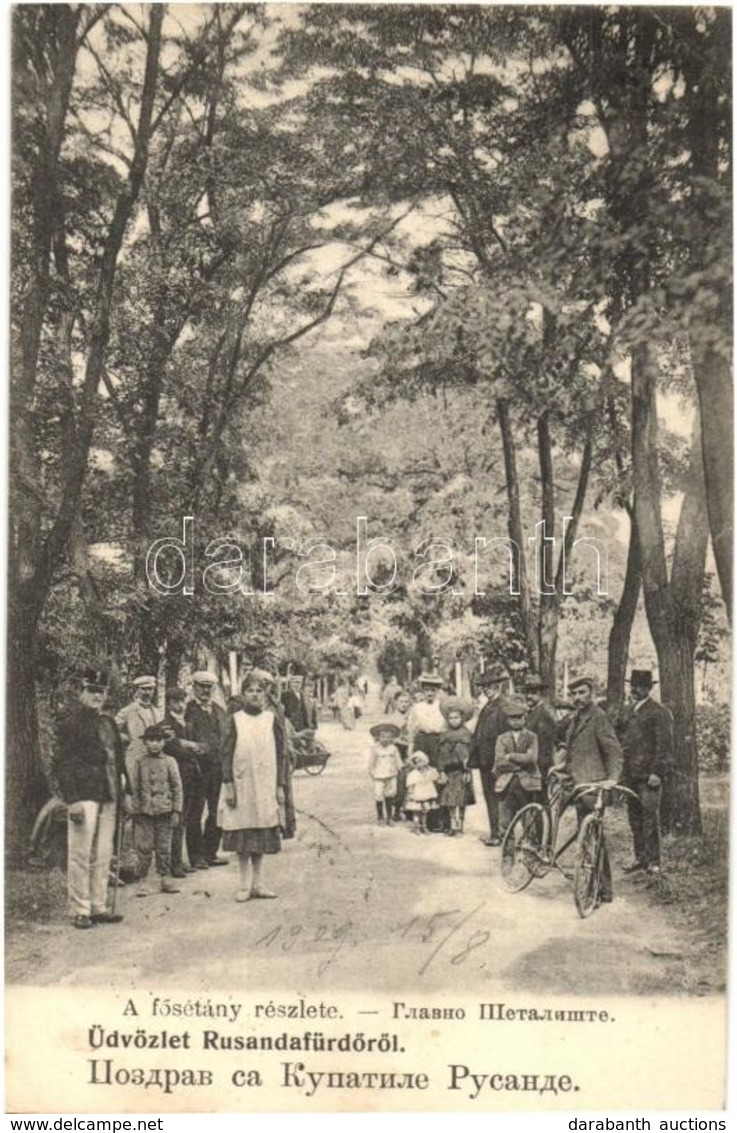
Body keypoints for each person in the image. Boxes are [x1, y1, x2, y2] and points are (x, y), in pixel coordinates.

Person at [54, 668, 131, 929]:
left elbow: (118, 761)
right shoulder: (69, 724)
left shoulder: (108, 723)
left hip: (110, 793)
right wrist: (72, 799)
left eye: (102, 691)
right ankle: (80, 908)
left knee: (104, 852)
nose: (97, 696)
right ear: (82, 691)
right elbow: (63, 765)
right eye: (92, 691)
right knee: (80, 852)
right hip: (83, 795)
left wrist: (126, 791)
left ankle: (99, 905)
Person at [218, 672, 294, 902]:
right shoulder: (235, 719)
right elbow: (226, 753)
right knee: (242, 832)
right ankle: (243, 885)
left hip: (265, 784)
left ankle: (258, 883)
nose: (255, 694)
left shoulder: (271, 720)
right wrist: (229, 784)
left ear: (265, 694)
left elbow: (282, 755)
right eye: (250, 690)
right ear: (243, 694)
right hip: (242, 784)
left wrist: (281, 785)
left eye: (259, 690)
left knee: (261, 832)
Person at [551, 675, 624, 903]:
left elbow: (614, 751)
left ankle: (603, 889)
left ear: (590, 693)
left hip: (594, 786)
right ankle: (594, 884)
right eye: (574, 694)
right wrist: (560, 767)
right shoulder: (576, 718)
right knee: (586, 836)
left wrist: (612, 778)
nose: (577, 698)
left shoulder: (598, 718)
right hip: (576, 784)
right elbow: (574, 751)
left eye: (582, 693)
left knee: (594, 837)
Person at [617, 669, 673, 876]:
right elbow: (621, 741)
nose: (634, 689)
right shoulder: (628, 710)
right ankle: (640, 858)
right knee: (634, 818)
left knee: (650, 818)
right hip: (630, 775)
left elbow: (664, 746)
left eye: (639, 686)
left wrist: (657, 772)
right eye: (632, 685)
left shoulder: (659, 711)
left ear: (649, 688)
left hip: (648, 776)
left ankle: (654, 861)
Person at [131, 724, 183, 897]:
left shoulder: (170, 761)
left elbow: (177, 787)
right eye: (151, 740)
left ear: (164, 742)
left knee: (163, 846)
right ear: (145, 742)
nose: (154, 744)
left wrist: (176, 810)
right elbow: (135, 788)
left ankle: (165, 878)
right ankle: (142, 880)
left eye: (158, 740)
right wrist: (135, 810)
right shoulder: (139, 762)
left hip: (165, 810)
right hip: (145, 812)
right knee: (144, 847)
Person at [185, 671, 230, 869]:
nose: (205, 691)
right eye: (201, 687)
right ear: (194, 687)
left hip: (218, 768)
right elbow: (186, 738)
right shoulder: (188, 710)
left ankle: (211, 851)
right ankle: (196, 856)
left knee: (216, 810)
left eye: (208, 687)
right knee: (195, 811)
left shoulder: (220, 710)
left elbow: (227, 736)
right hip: (197, 768)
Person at [162, 687, 204, 877]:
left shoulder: (190, 723)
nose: (180, 705)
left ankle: (184, 859)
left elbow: (204, 746)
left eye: (182, 701)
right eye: (176, 701)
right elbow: (173, 749)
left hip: (194, 775)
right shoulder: (165, 726)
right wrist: (191, 746)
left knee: (189, 818)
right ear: (169, 703)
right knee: (177, 819)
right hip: (177, 776)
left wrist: (189, 744)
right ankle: (175, 863)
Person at [467, 665, 509, 847]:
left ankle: (500, 834)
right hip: (485, 760)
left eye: (490, 685)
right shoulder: (487, 706)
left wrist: (500, 762)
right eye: (484, 686)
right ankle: (495, 832)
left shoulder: (504, 707)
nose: (487, 689)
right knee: (489, 797)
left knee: (497, 797)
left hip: (496, 761)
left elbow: (505, 738)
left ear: (498, 686)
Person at [493, 698, 541, 834]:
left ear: (524, 718)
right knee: (505, 821)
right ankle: (508, 854)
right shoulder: (501, 738)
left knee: (529, 820)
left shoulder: (532, 737)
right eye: (512, 718)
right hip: (506, 783)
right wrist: (521, 763)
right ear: (507, 720)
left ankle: (529, 851)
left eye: (519, 718)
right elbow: (499, 762)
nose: (516, 721)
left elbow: (532, 759)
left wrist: (511, 756)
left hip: (528, 783)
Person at [436, 697, 476, 836]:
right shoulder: (444, 735)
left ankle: (461, 826)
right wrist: (441, 771)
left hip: (461, 771)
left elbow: (469, 754)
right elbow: (440, 754)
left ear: (462, 718)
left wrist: (468, 770)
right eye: (451, 718)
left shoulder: (467, 734)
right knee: (450, 800)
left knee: (461, 799)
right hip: (449, 771)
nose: (453, 720)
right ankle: (452, 825)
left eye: (456, 717)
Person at [115, 675, 163, 780]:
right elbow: (112, 731)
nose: (147, 693)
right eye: (144, 689)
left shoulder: (157, 712)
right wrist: (127, 739)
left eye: (150, 689)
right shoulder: (128, 710)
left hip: (154, 757)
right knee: (134, 789)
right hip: (135, 757)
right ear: (137, 690)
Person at [523, 676, 557, 797]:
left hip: (539, 767)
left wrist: (537, 768)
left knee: (539, 801)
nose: (529, 696)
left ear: (541, 694)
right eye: (527, 692)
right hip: (530, 765)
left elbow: (544, 746)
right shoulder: (531, 713)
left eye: (533, 693)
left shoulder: (543, 715)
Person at [366, 721, 403, 825]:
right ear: (378, 737)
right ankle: (380, 817)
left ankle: (389, 818)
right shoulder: (375, 748)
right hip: (379, 776)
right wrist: (372, 774)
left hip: (391, 775)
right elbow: (371, 763)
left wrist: (400, 769)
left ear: (391, 738)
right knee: (379, 796)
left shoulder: (393, 748)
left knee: (390, 796)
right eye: (383, 736)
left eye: (388, 737)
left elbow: (398, 761)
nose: (385, 739)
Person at [406, 675, 445, 765]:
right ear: (423, 691)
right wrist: (410, 747)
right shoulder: (417, 707)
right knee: (421, 768)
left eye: (433, 690)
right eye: (427, 690)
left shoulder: (441, 706)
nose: (430, 693)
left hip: (437, 741)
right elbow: (411, 728)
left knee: (436, 768)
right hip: (421, 741)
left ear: (437, 691)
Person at [404, 751, 441, 835]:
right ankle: (416, 827)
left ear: (424, 761)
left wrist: (431, 771)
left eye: (420, 762)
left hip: (426, 794)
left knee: (424, 812)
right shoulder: (413, 773)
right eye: (416, 763)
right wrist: (410, 793)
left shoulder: (429, 772)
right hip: (417, 794)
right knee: (416, 812)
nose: (419, 764)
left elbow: (435, 777)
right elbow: (410, 785)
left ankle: (424, 827)